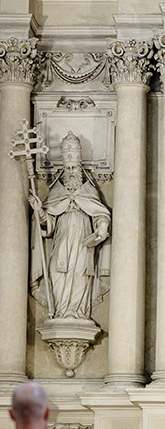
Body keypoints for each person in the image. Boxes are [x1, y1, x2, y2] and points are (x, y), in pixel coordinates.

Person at [29, 131, 111, 321]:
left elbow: (100, 213)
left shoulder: (88, 189)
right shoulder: (57, 190)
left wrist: (102, 227)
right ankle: (60, 310)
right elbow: (47, 223)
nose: (71, 166)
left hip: (83, 239)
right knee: (58, 273)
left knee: (80, 272)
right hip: (62, 239)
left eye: (74, 158)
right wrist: (39, 210)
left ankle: (76, 311)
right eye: (68, 159)